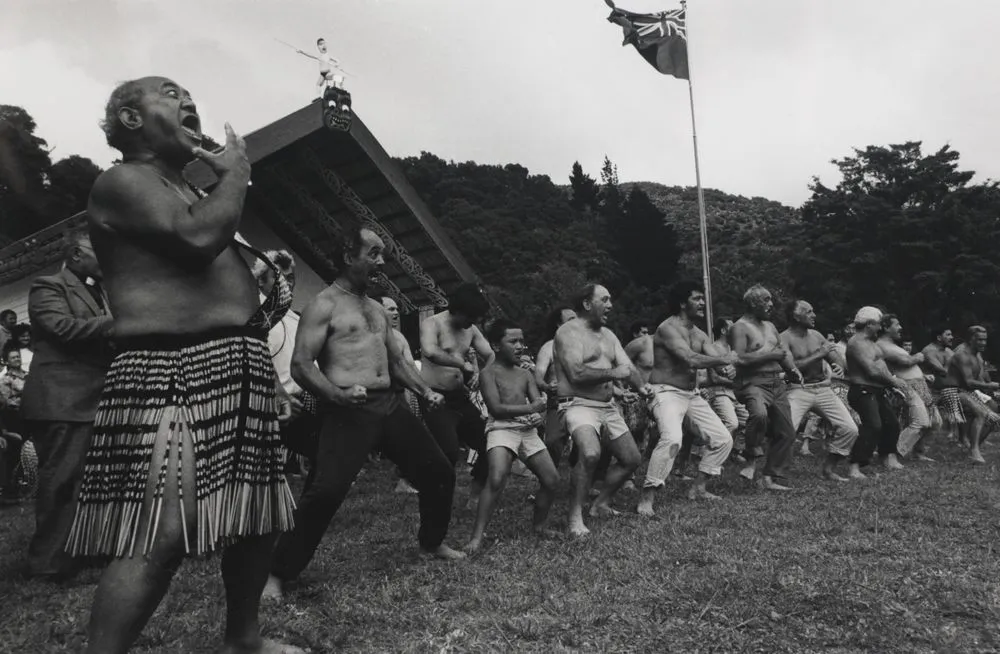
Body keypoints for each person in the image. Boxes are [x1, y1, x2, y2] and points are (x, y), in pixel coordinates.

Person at [66, 77, 301, 654]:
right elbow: (197, 240)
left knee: (257, 512)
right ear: (129, 119)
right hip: (169, 368)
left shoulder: (185, 188)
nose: (188, 101)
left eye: (191, 94)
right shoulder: (123, 180)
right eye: (170, 93)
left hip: (235, 362)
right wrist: (237, 172)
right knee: (161, 531)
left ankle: (243, 638)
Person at [265, 226, 461, 600]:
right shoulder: (324, 305)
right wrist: (336, 395)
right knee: (325, 492)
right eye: (373, 253)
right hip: (347, 411)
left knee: (438, 471)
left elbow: (397, 360)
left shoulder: (375, 309)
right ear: (347, 255)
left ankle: (431, 543)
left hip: (389, 405)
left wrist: (424, 389)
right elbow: (303, 366)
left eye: (382, 254)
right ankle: (277, 573)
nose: (381, 263)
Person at [20, 232, 114, 580]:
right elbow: (62, 328)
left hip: (88, 400)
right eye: (100, 252)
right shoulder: (47, 285)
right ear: (76, 253)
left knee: (85, 484)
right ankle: (46, 565)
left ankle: (79, 555)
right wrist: (120, 320)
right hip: (60, 399)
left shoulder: (99, 290)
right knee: (61, 483)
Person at [553, 284, 648, 536]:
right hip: (577, 404)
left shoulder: (608, 335)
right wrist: (612, 373)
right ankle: (574, 519)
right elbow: (575, 373)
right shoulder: (568, 332)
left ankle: (600, 503)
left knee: (631, 459)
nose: (610, 305)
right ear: (587, 304)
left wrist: (643, 388)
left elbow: (627, 367)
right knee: (591, 453)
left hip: (607, 406)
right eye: (604, 300)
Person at [636, 282, 735, 516]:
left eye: (703, 298)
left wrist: (727, 368)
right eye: (697, 298)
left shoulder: (699, 333)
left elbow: (713, 357)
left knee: (723, 439)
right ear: (682, 303)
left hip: (692, 395)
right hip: (665, 392)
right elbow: (690, 358)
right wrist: (725, 360)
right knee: (672, 439)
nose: (703, 303)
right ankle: (646, 498)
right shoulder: (667, 328)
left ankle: (699, 488)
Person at [466, 319, 560, 553]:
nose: (520, 346)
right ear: (496, 346)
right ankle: (476, 538)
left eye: (522, 341)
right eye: (513, 341)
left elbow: (538, 401)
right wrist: (531, 409)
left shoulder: (524, 374)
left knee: (552, 480)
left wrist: (538, 416)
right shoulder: (489, 373)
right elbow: (497, 409)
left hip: (527, 431)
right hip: (501, 429)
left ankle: (539, 526)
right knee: (496, 477)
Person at [419, 283, 494, 498]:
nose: (471, 323)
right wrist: (462, 364)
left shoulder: (470, 329)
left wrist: (481, 375)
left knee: (490, 443)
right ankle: (436, 495)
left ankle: (475, 495)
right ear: (458, 310)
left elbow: (490, 355)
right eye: (469, 318)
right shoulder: (432, 323)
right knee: (448, 450)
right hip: (435, 396)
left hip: (459, 396)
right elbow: (430, 351)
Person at [729, 285, 802, 490]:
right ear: (753, 303)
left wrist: (792, 369)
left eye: (771, 300)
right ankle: (751, 454)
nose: (771, 305)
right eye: (766, 300)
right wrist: (771, 356)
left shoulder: (770, 326)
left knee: (787, 432)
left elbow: (782, 353)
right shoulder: (739, 327)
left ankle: (770, 477)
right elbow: (739, 358)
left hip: (776, 382)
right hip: (752, 382)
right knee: (759, 415)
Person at [779, 300, 858, 481]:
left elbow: (835, 358)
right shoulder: (784, 338)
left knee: (850, 429)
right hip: (798, 389)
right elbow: (791, 367)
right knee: (786, 432)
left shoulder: (816, 335)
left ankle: (828, 469)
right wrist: (820, 354)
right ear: (796, 316)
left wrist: (837, 365)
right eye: (809, 312)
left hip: (823, 388)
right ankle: (774, 474)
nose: (814, 315)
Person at [845, 306, 910, 478]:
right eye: (878, 324)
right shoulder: (856, 343)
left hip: (878, 390)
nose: (881, 328)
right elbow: (872, 371)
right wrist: (895, 382)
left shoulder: (872, 343)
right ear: (869, 324)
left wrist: (892, 386)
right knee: (873, 425)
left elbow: (882, 369)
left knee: (892, 424)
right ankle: (855, 465)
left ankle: (886, 457)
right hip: (862, 390)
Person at [380, 294, 422, 494]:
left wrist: (423, 390)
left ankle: (404, 480)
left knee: (410, 436)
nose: (396, 313)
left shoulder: (400, 337)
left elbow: (410, 366)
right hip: (376, 396)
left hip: (399, 393)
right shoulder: (373, 334)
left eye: (397, 309)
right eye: (390, 309)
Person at [877, 314, 933, 460]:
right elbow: (905, 361)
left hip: (917, 385)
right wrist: (918, 357)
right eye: (897, 324)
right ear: (885, 327)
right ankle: (891, 452)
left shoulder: (892, 344)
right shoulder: (881, 345)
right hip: (905, 386)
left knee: (932, 422)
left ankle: (916, 453)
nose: (900, 327)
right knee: (921, 421)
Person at [949, 326, 1000, 463]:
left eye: (985, 340)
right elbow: (969, 382)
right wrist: (990, 385)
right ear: (971, 339)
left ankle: (973, 445)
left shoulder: (977, 354)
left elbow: (980, 378)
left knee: (993, 409)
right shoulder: (962, 355)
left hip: (968, 392)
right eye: (980, 340)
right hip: (953, 392)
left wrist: (992, 392)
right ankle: (973, 451)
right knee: (982, 413)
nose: (983, 343)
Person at [534, 306, 577, 464]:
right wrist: (546, 386)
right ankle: (549, 479)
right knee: (552, 442)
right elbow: (538, 376)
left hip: (583, 403)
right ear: (559, 324)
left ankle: (580, 471)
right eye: (571, 320)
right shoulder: (548, 348)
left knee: (587, 442)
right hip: (558, 403)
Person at [922, 327, 961, 432]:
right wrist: (950, 361)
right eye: (948, 335)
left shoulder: (948, 351)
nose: (952, 337)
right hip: (929, 390)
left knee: (953, 390)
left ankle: (953, 434)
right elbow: (943, 372)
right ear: (939, 337)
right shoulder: (929, 351)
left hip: (945, 388)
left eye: (951, 334)